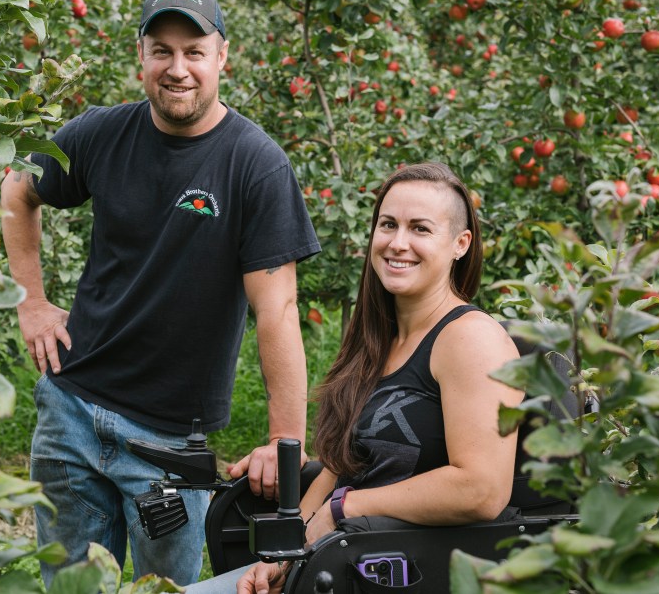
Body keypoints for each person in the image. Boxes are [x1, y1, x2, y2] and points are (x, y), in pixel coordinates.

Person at [0, 0, 321, 587]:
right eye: (162, 50)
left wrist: (286, 442)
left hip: (170, 443)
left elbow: (277, 311)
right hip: (71, 408)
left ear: (222, 57)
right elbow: (17, 189)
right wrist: (32, 303)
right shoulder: (100, 133)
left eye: (194, 51)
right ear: (141, 58)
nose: (178, 69)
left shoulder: (255, 165)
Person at [186, 162, 524, 594]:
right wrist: (283, 558)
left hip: (401, 571)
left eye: (420, 229)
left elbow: (481, 488)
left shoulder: (470, 339)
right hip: (340, 564)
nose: (398, 243)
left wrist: (344, 509)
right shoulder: (379, 339)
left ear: (460, 244)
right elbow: (341, 465)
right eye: (388, 225)